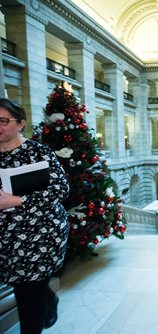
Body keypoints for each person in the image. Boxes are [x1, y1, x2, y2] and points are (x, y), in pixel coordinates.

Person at [0, 98, 70, 333]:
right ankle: (48, 297)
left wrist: (18, 200)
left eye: (3, 121)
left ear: (20, 124)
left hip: (41, 234)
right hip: (6, 237)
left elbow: (61, 188)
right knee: (26, 285)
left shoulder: (38, 152)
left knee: (27, 294)